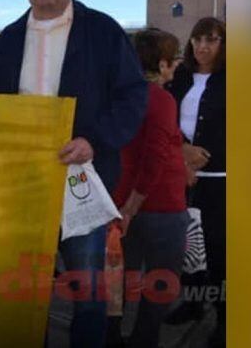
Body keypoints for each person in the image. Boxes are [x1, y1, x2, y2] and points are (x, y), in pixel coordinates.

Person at [0, 0, 148, 347]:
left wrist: (95, 141)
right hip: (24, 188)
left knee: (88, 292)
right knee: (25, 290)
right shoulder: (8, 39)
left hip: (83, 183)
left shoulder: (104, 31)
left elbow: (132, 97)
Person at [109, 28, 189, 347]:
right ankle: (143, 341)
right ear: (164, 63)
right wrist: (132, 207)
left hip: (119, 202)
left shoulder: (117, 95)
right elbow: (154, 156)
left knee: (116, 284)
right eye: (174, 60)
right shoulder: (161, 98)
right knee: (160, 285)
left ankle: (112, 339)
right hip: (158, 207)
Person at [165, 17, 226, 347]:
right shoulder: (181, 77)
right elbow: (164, 120)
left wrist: (210, 155)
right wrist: (183, 150)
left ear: (223, 43)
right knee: (187, 247)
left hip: (219, 181)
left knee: (218, 251)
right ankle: (192, 303)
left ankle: (225, 317)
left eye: (211, 40)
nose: (202, 46)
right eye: (197, 39)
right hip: (181, 177)